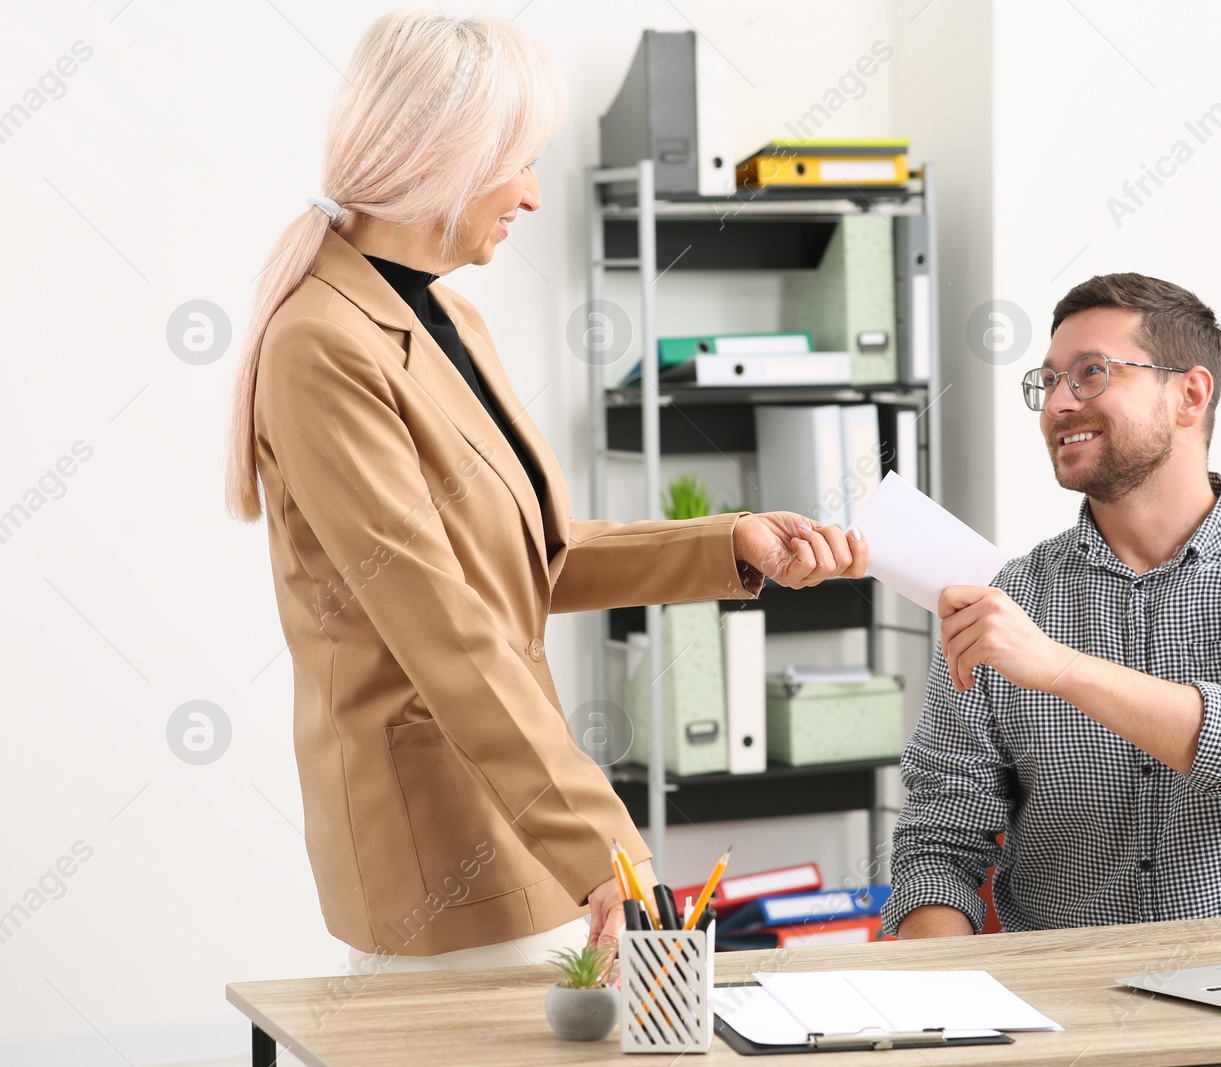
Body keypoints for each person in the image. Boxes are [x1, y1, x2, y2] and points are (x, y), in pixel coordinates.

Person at [223, 10, 867, 974]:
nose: (530, 195)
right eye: (519, 162)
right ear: (445, 154)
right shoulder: (323, 343)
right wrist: (600, 841)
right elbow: (438, 617)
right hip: (436, 838)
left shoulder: (447, 315)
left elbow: (531, 555)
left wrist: (731, 544)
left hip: (522, 806)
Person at [882, 273, 1221, 1067]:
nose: (1057, 403)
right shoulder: (1008, 598)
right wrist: (941, 1005)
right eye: (1047, 381)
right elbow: (942, 834)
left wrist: (1060, 668)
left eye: (1091, 372)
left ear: (1190, 395)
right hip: (1057, 1023)